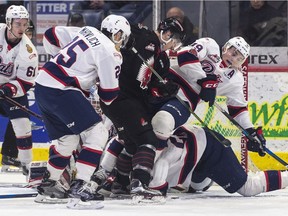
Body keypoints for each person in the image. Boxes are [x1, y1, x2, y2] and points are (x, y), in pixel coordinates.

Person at [35, 15, 131, 208]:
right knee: (98, 133)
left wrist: (65, 65)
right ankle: (80, 189)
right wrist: (95, 79)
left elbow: (50, 35)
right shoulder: (111, 52)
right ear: (118, 34)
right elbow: (109, 95)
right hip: (62, 89)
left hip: (42, 83)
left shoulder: (87, 31)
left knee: (67, 139)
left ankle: (49, 184)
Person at [95, 17, 184, 203]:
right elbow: (118, 33)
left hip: (127, 101)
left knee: (131, 143)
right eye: (175, 40)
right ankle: (139, 186)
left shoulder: (161, 59)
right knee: (147, 139)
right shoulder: (141, 35)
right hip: (121, 96)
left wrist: (164, 88)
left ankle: (120, 184)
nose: (174, 46)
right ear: (167, 34)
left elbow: (152, 87)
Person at [151, 36, 266, 160]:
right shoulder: (210, 45)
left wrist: (250, 132)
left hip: (185, 101)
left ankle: (150, 165)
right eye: (234, 53)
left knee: (163, 122)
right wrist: (204, 81)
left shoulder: (235, 79)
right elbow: (185, 56)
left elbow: (238, 109)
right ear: (226, 47)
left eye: (239, 59)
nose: (233, 59)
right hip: (165, 83)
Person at [149, 123, 288, 197]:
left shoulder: (156, 160)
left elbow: (164, 160)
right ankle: (209, 178)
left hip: (209, 148)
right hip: (194, 157)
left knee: (249, 188)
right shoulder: (138, 156)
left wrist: (156, 189)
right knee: (196, 186)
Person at [0, 5, 38, 175]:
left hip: (10, 89)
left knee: (23, 125)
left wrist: (7, 90)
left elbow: (25, 82)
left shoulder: (29, 52)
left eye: (25, 24)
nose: (22, 28)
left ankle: (26, 165)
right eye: (18, 24)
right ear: (8, 23)